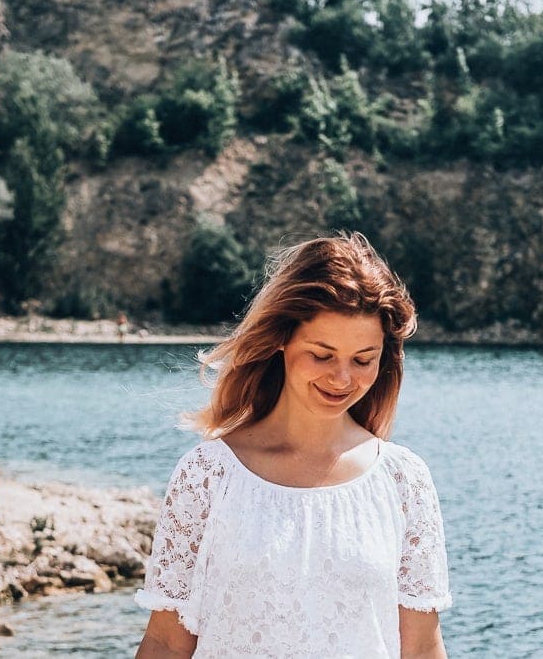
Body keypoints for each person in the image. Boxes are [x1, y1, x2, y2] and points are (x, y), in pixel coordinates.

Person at [135, 233, 451, 658]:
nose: (342, 379)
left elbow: (422, 648)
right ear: (282, 340)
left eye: (363, 359)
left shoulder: (403, 479)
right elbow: (166, 642)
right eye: (322, 355)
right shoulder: (209, 474)